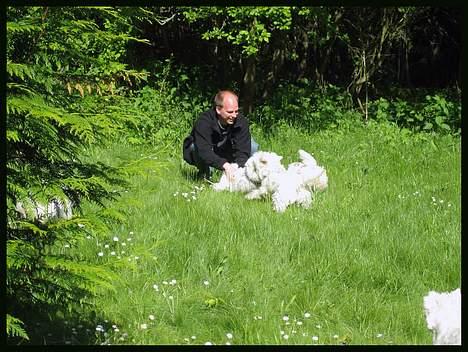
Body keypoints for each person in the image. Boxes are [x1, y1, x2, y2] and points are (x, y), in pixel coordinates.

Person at [183, 90, 259, 180]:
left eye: (236, 111)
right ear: (218, 109)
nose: (234, 115)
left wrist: (237, 168)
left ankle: (242, 176)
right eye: (230, 112)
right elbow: (204, 150)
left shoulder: (241, 121)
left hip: (227, 150)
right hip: (207, 151)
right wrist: (224, 165)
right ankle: (204, 173)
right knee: (193, 146)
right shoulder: (204, 122)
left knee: (253, 145)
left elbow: (243, 152)